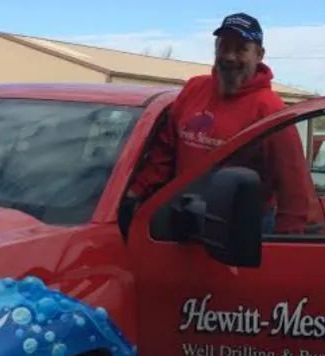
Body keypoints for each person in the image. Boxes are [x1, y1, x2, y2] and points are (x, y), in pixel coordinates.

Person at [123, 12, 311, 234]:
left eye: (241, 48)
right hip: (184, 218)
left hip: (239, 228)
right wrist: (136, 191)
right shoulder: (194, 89)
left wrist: (287, 242)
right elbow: (164, 152)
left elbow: (293, 184)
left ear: (259, 54)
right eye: (223, 47)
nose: (229, 56)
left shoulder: (270, 110)